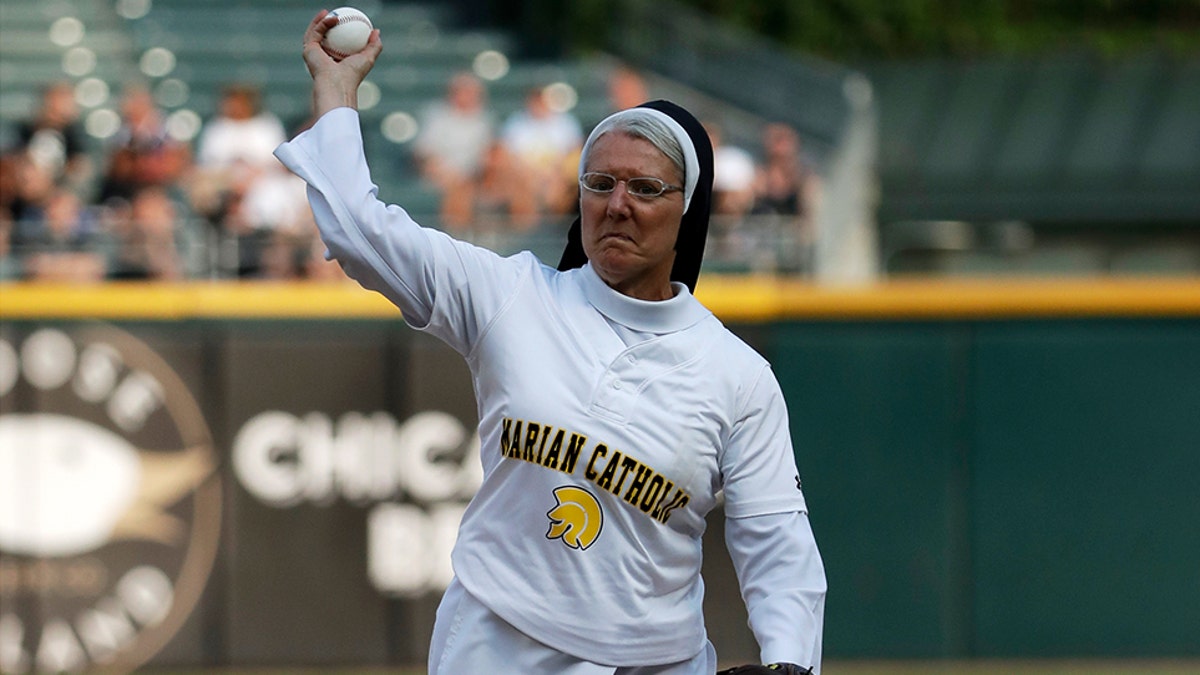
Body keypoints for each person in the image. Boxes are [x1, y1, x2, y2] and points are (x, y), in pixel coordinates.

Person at [276, 11, 825, 675]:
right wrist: (336, 94)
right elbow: (361, 231)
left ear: (688, 207)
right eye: (599, 182)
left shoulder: (738, 376)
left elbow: (776, 542)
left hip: (657, 660)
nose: (616, 203)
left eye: (645, 187)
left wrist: (793, 663)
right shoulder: (512, 296)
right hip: (496, 645)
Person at [412, 72, 496, 230]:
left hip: (476, 176)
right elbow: (423, 153)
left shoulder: (485, 120)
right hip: (444, 176)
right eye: (463, 91)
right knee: (459, 190)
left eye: (472, 93)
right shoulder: (436, 116)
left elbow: (489, 154)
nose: (468, 96)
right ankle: (458, 235)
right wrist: (449, 173)